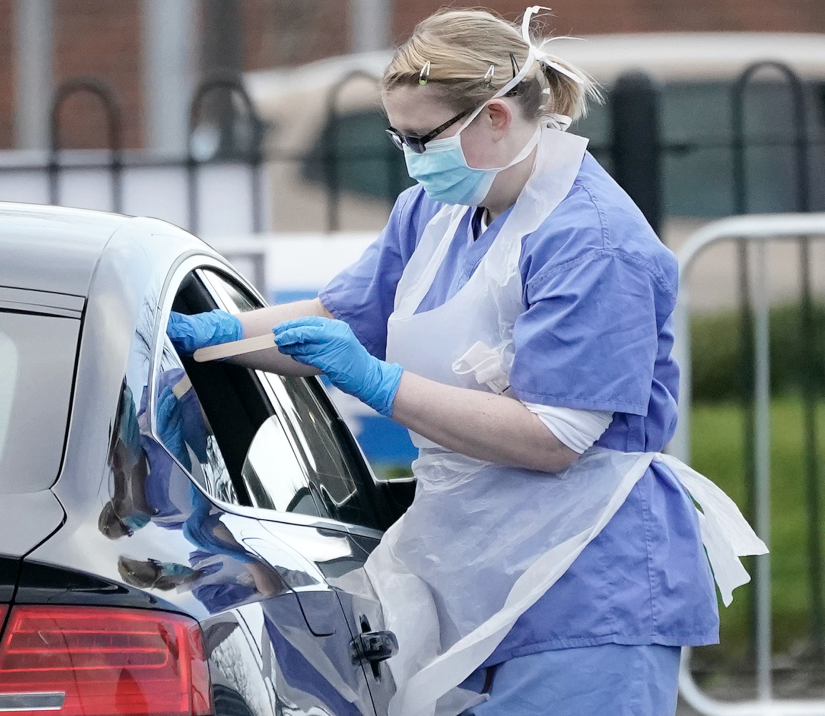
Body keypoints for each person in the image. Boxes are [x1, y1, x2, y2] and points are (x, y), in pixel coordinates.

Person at [166, 7, 765, 716]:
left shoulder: (594, 243)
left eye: (424, 138)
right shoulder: (434, 212)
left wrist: (379, 383)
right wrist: (200, 337)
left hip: (588, 586)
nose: (413, 158)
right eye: (400, 137)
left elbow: (554, 438)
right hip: (478, 564)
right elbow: (335, 321)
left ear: (499, 117)